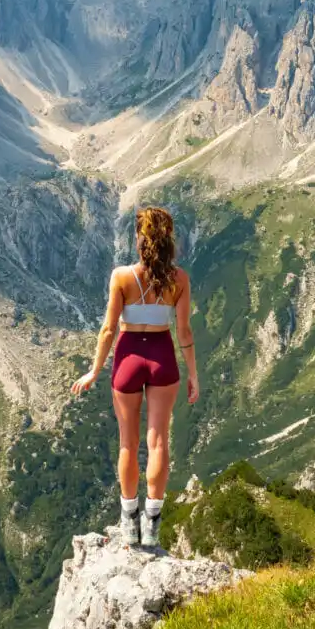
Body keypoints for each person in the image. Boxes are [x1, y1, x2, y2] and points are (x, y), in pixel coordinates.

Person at [71, 206, 199, 548]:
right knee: (158, 442)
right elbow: (184, 331)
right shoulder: (180, 280)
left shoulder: (122, 277)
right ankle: (152, 522)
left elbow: (108, 329)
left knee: (128, 443)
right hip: (162, 358)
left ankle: (129, 520)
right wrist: (193, 375)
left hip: (128, 357)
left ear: (139, 241)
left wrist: (95, 371)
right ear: (169, 241)